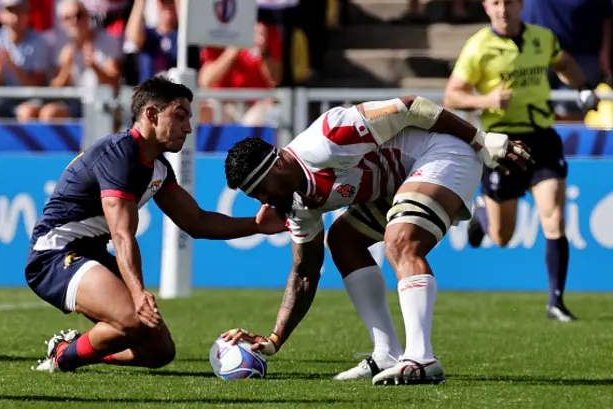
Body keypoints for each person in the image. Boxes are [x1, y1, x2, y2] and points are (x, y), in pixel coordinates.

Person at [221, 94, 530, 385]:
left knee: (400, 242)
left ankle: (422, 359)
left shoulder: (330, 136)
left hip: (442, 151)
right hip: (399, 182)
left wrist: (480, 140)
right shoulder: (296, 203)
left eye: (262, 189)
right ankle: (386, 353)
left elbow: (413, 106)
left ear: (277, 164)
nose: (265, 201)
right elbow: (304, 272)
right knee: (342, 240)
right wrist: (275, 340)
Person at [26, 76, 286, 373]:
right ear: (150, 114)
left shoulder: (158, 167)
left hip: (91, 253)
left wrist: (256, 224)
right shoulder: (120, 155)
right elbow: (122, 234)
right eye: (180, 116)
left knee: (159, 352)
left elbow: (197, 221)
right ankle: (63, 357)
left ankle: (70, 349)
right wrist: (138, 294)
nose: (188, 127)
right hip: (54, 254)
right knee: (134, 321)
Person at [443, 0, 600, 322]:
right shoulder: (478, 47)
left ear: (521, 4)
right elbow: (452, 95)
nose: (502, 9)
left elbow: (565, 63)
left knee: (555, 218)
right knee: (501, 236)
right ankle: (483, 210)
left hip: (543, 138)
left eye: (508, 1)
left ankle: (556, 302)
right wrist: (487, 99)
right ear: (486, 8)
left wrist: (583, 87)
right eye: (495, 3)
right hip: (503, 146)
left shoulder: (541, 39)